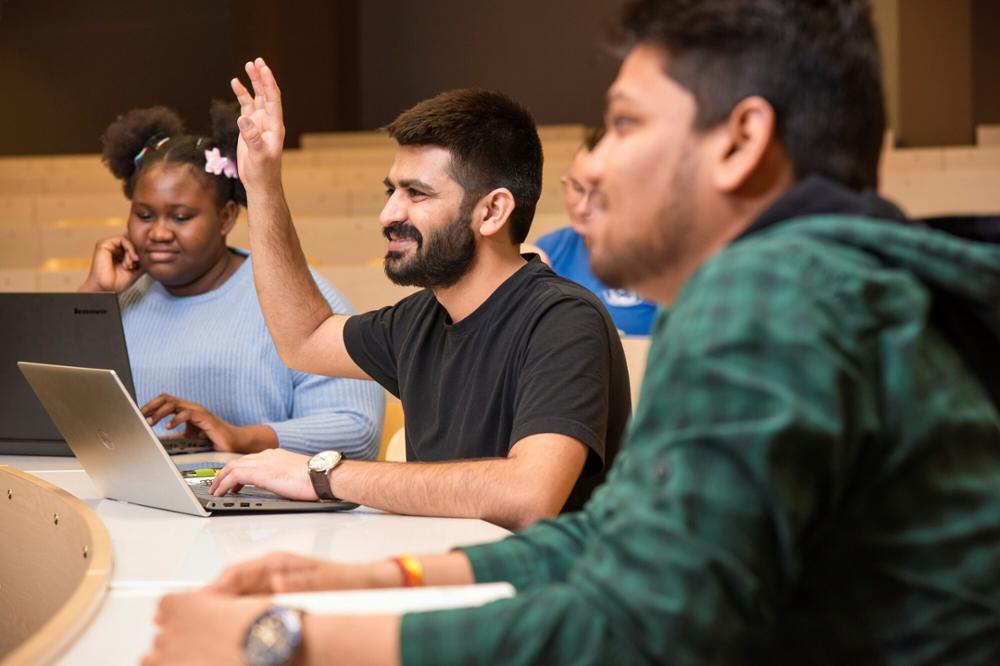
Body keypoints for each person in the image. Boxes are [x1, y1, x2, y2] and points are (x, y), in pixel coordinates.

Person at [145, 0, 1000, 664]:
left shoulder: (775, 294)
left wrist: (288, 642)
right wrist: (367, 577)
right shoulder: (823, 282)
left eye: (624, 124)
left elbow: (638, 631)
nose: (588, 166)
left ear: (740, 142)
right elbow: (613, 540)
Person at [205, 71, 630, 528]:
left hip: (545, 589)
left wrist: (325, 475)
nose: (389, 214)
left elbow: (528, 497)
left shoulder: (563, 320)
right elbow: (303, 339)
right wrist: (264, 185)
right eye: (393, 191)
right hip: (443, 569)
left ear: (492, 211)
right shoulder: (421, 317)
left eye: (417, 193)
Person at [79, 103, 384, 457]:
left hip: (262, 502)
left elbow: (356, 430)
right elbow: (43, 408)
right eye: (144, 215)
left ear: (225, 218)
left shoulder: (299, 295)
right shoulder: (118, 298)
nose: (158, 233)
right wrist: (94, 298)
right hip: (134, 498)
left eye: (181, 217)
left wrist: (238, 438)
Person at [532, 126, 657, 335]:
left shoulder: (661, 255)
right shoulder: (548, 252)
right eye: (577, 188)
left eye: (599, 194)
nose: (583, 208)